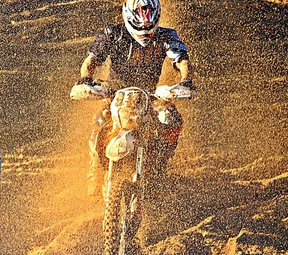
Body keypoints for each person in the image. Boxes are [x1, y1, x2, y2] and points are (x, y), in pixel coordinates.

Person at [71, 0, 196, 194]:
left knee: (171, 119)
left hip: (150, 95)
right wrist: (85, 79)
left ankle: (159, 167)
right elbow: (91, 60)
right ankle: (95, 170)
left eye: (148, 26)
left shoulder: (166, 36)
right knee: (100, 120)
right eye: (140, 25)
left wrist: (185, 81)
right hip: (115, 93)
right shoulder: (113, 34)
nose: (145, 31)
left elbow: (182, 61)